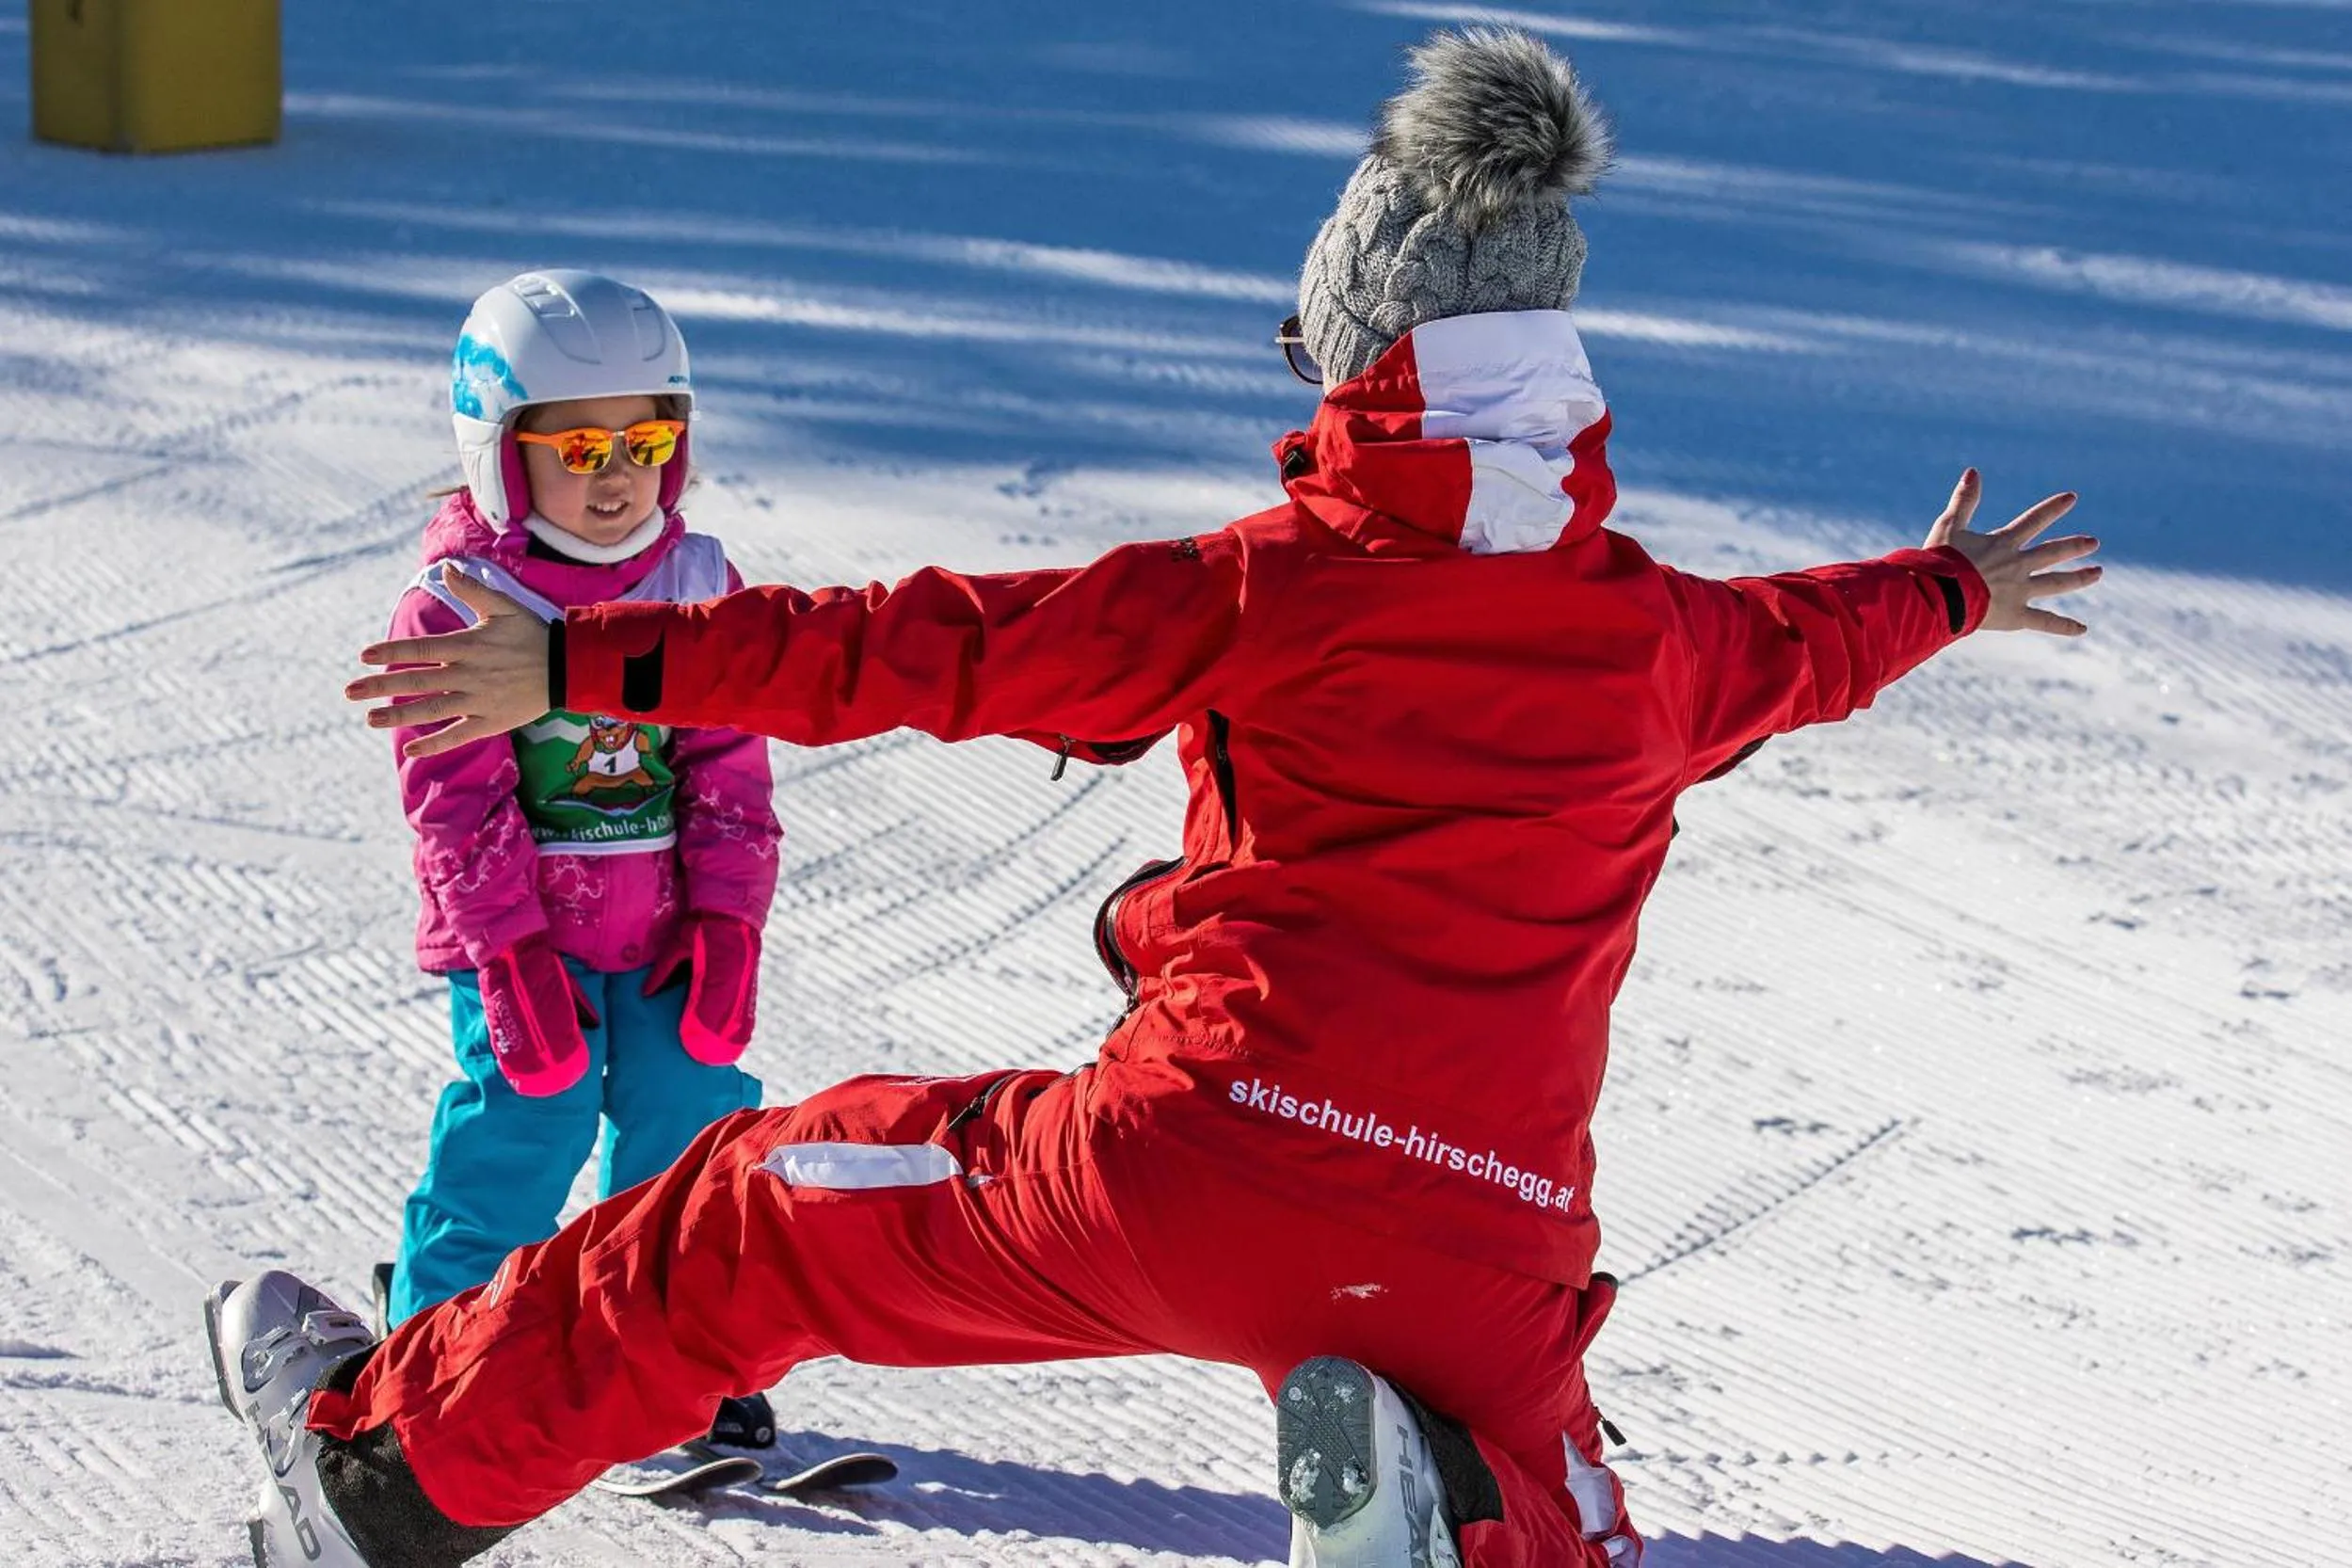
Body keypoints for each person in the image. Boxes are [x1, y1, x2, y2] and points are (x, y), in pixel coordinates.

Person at [208, 29, 2100, 1568]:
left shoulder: (1272, 585)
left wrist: (581, 663)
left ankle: (378, 1476)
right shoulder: (1661, 637)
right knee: (1558, 1496)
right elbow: (1813, 633)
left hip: (1195, 1169)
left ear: (1362, 368)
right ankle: (1469, 1513)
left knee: (741, 1208)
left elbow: (917, 643)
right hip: (1490, 1246)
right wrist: (1947, 590)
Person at [378, 270, 781, 1447]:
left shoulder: (696, 587)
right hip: (524, 942)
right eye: (583, 446)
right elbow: (454, 807)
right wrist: (507, 958)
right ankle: (432, 1355)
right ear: (501, 452)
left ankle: (670, 1353)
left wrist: (728, 928)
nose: (617, 476)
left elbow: (729, 776)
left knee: (692, 1131)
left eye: (646, 441)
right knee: (526, 1125)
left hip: (662, 935)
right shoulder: (460, 605)